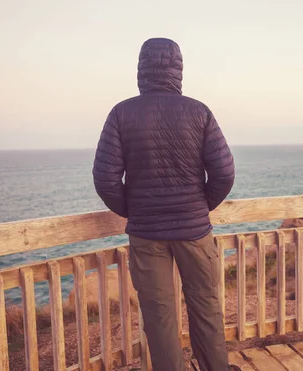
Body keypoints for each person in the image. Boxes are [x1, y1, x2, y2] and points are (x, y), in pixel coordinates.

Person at [93, 38, 236, 371]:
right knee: (206, 306)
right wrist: (199, 204)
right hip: (195, 231)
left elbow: (105, 180)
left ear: (141, 69)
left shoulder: (121, 113)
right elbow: (224, 173)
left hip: (147, 234)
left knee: (159, 315)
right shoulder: (199, 112)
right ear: (178, 68)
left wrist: (137, 209)